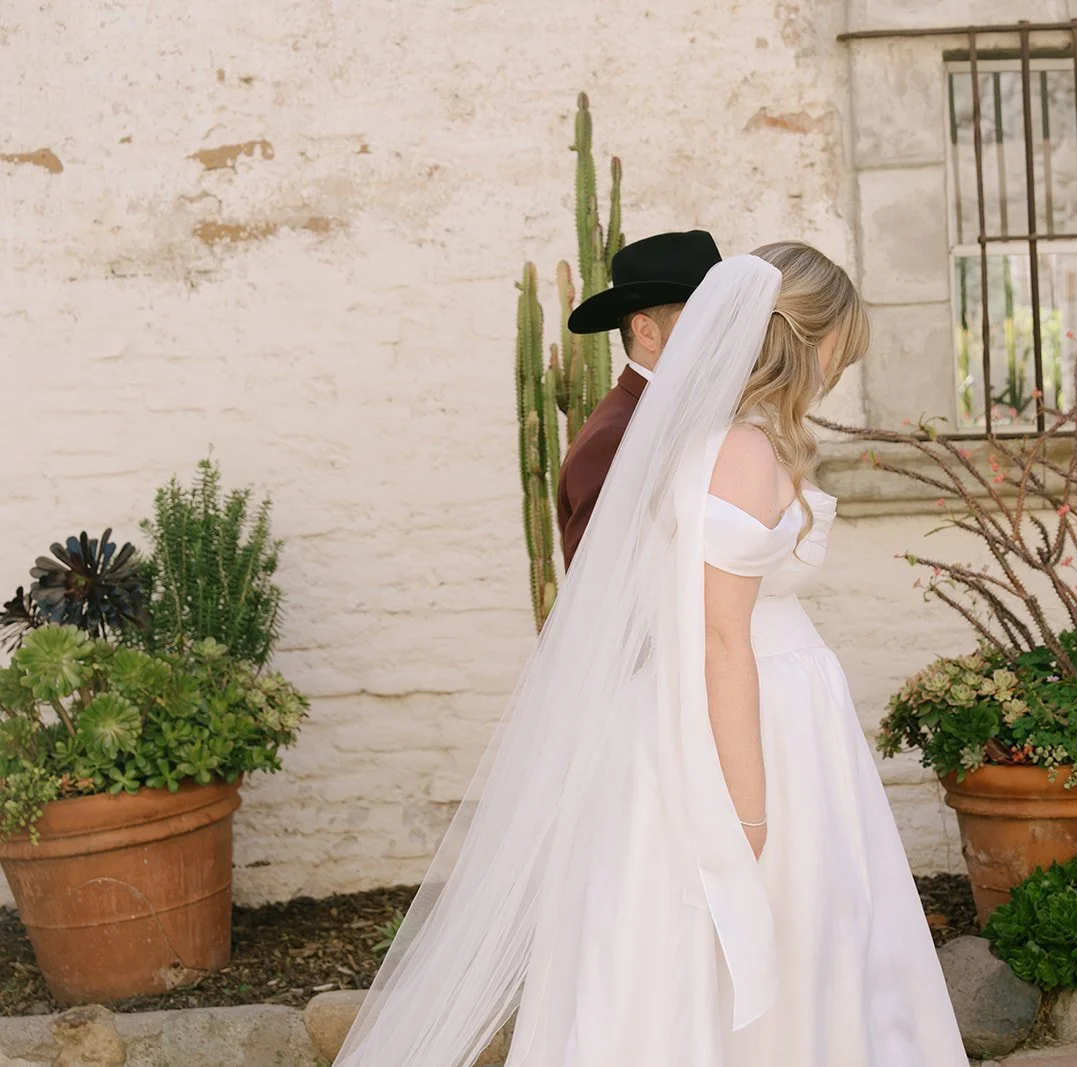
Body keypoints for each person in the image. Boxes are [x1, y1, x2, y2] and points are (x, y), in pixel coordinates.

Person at [333, 244, 967, 1067]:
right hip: (749, 722)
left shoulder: (718, 434)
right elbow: (718, 635)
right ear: (807, 341)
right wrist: (748, 814)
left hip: (782, 714)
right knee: (746, 942)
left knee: (811, 941)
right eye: (838, 351)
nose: (838, 372)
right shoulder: (737, 448)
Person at [557, 229, 722, 567]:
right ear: (647, 332)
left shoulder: (690, 413)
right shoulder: (612, 437)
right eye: (703, 319)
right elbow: (599, 580)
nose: (722, 334)